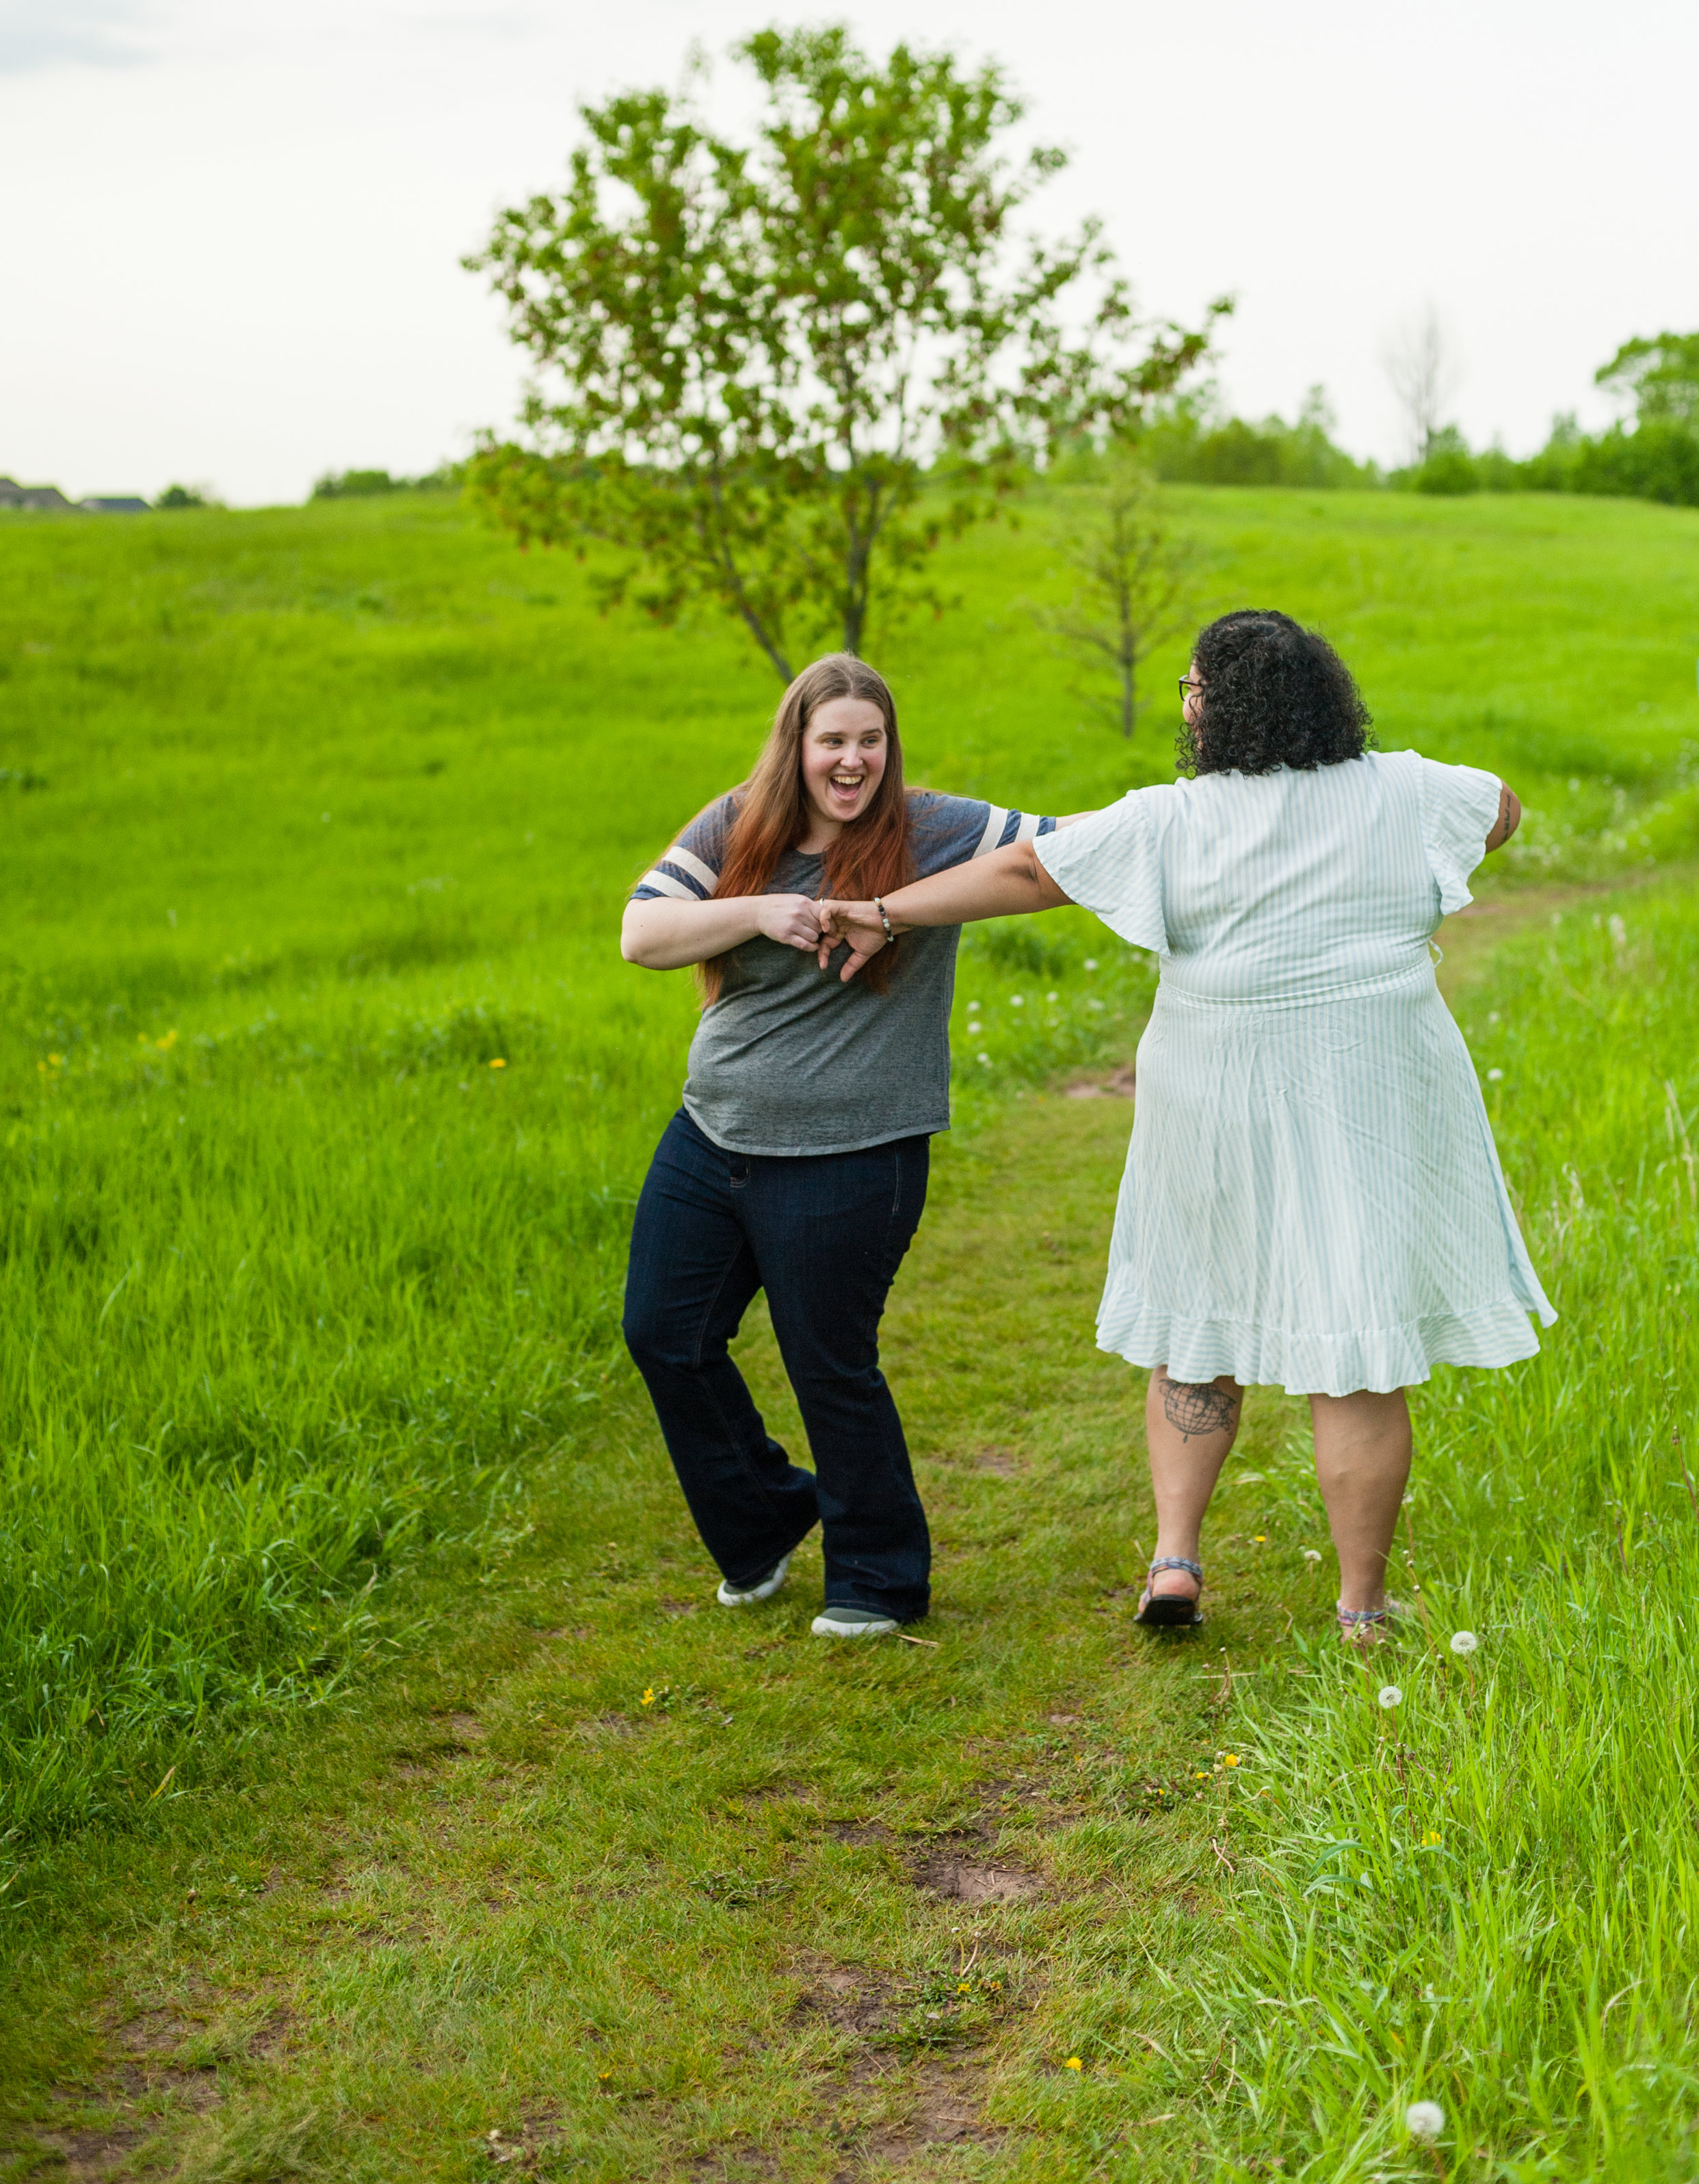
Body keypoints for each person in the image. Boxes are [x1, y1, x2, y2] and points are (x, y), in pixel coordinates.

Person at [820, 608, 1555, 1646]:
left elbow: (1036, 869)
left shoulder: (1174, 816)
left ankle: (1175, 1560)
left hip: (1213, 1088)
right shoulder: (1408, 787)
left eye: (1191, 689)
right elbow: (1504, 812)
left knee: (1196, 1317)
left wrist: (886, 910)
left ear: (1214, 707)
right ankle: (1362, 1609)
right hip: (1372, 1093)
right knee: (1355, 1341)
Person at [619, 652, 1062, 1639]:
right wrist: (758, 910)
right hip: (711, 1130)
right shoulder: (739, 823)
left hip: (853, 1149)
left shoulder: (937, 827)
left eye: (871, 740)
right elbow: (641, 934)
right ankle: (767, 1517)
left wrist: (894, 909)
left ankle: (879, 1577)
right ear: (798, 745)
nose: (853, 760)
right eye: (834, 741)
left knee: (829, 1362)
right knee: (664, 1332)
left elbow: (1072, 862)